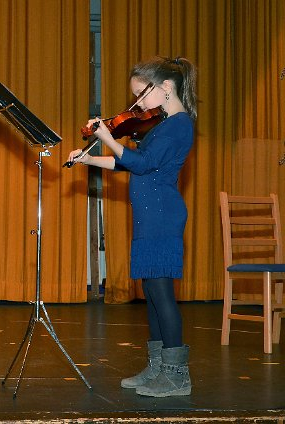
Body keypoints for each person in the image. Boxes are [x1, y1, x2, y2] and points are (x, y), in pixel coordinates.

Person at [67, 56, 197, 397]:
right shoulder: (161, 124)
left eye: (141, 94)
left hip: (163, 216)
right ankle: (157, 369)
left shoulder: (180, 125)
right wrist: (90, 158)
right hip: (150, 215)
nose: (136, 104)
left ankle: (177, 376)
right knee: (151, 296)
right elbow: (131, 164)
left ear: (166, 88)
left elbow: (144, 163)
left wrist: (108, 137)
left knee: (163, 295)